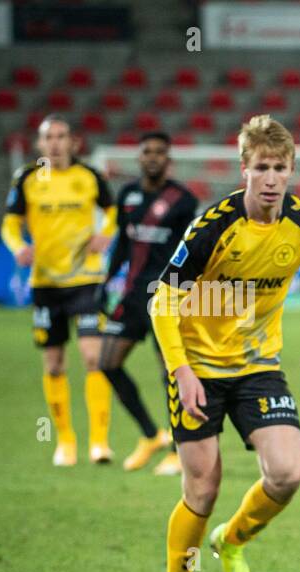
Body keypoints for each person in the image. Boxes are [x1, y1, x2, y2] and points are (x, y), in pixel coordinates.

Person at [152, 115, 300, 572]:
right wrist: (181, 371)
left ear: (291, 170)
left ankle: (231, 542)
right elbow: (161, 302)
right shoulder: (213, 227)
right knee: (203, 487)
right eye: (263, 167)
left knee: (287, 474)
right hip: (198, 367)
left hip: (258, 366)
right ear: (245, 170)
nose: (273, 178)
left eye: (281, 167)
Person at [1, 115, 117, 465]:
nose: (54, 143)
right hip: (46, 283)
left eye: (60, 136)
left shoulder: (89, 177)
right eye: (47, 137)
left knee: (94, 358)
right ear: (39, 145)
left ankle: (99, 442)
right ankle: (64, 441)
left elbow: (111, 211)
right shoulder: (28, 179)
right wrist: (17, 246)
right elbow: (10, 223)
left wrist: (105, 233)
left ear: (73, 142)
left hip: (86, 280)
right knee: (53, 364)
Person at [98, 130, 200, 474]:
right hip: (131, 294)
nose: (153, 157)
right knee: (107, 362)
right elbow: (122, 245)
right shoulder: (126, 195)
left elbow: (193, 251)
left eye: (159, 152)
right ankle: (149, 434)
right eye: (147, 151)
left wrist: (187, 295)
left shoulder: (183, 201)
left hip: (166, 296)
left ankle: (179, 446)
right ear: (139, 157)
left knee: (170, 372)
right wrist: (105, 282)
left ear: (167, 160)